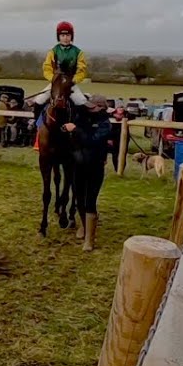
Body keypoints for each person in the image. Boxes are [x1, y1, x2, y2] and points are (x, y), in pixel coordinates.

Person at [66, 93, 112, 251]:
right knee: (78, 198)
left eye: (92, 106)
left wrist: (76, 130)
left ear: (100, 107)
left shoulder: (105, 124)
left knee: (90, 201)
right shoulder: (82, 118)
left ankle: (89, 240)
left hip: (95, 166)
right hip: (78, 164)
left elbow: (92, 140)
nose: (89, 109)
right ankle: (84, 227)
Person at [29, 21, 89, 112]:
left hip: (70, 84)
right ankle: (37, 120)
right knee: (39, 100)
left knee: (81, 102)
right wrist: (54, 80)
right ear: (59, 36)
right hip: (55, 84)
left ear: (71, 36)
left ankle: (80, 121)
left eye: (68, 35)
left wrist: (73, 81)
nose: (65, 38)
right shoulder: (52, 52)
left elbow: (82, 71)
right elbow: (47, 68)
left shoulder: (79, 53)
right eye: (62, 35)